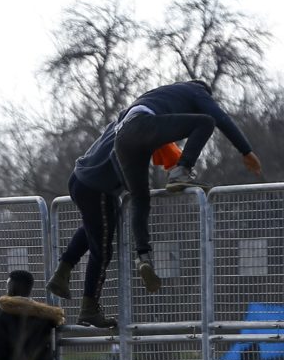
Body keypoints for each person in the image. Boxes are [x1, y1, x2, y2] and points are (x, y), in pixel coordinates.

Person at [112, 80, 261, 292]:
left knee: (140, 198)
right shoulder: (197, 91)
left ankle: (143, 256)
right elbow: (219, 118)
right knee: (205, 122)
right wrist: (246, 151)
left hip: (122, 138)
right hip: (143, 126)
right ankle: (181, 172)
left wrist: (127, 181)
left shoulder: (159, 94)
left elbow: (123, 125)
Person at [45, 122, 124, 328]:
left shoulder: (121, 121)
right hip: (98, 187)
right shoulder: (145, 123)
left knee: (92, 228)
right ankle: (89, 309)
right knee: (102, 251)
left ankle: (62, 273)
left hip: (79, 177)